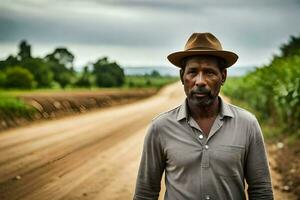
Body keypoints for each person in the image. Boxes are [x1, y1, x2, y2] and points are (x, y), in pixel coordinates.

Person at [133, 32, 274, 200]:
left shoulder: (247, 124)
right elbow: (145, 193)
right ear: (182, 77)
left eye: (209, 72)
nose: (200, 81)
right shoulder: (160, 127)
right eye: (192, 72)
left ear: (223, 76)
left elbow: (261, 191)